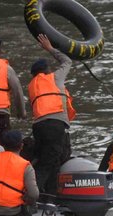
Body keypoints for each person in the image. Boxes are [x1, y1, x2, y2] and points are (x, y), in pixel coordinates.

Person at [27, 34, 76, 194]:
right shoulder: (55, 78)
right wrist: (49, 48)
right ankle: (31, 195)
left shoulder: (33, 85)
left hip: (39, 127)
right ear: (47, 70)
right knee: (46, 164)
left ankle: (51, 195)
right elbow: (67, 61)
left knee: (51, 160)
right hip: (54, 126)